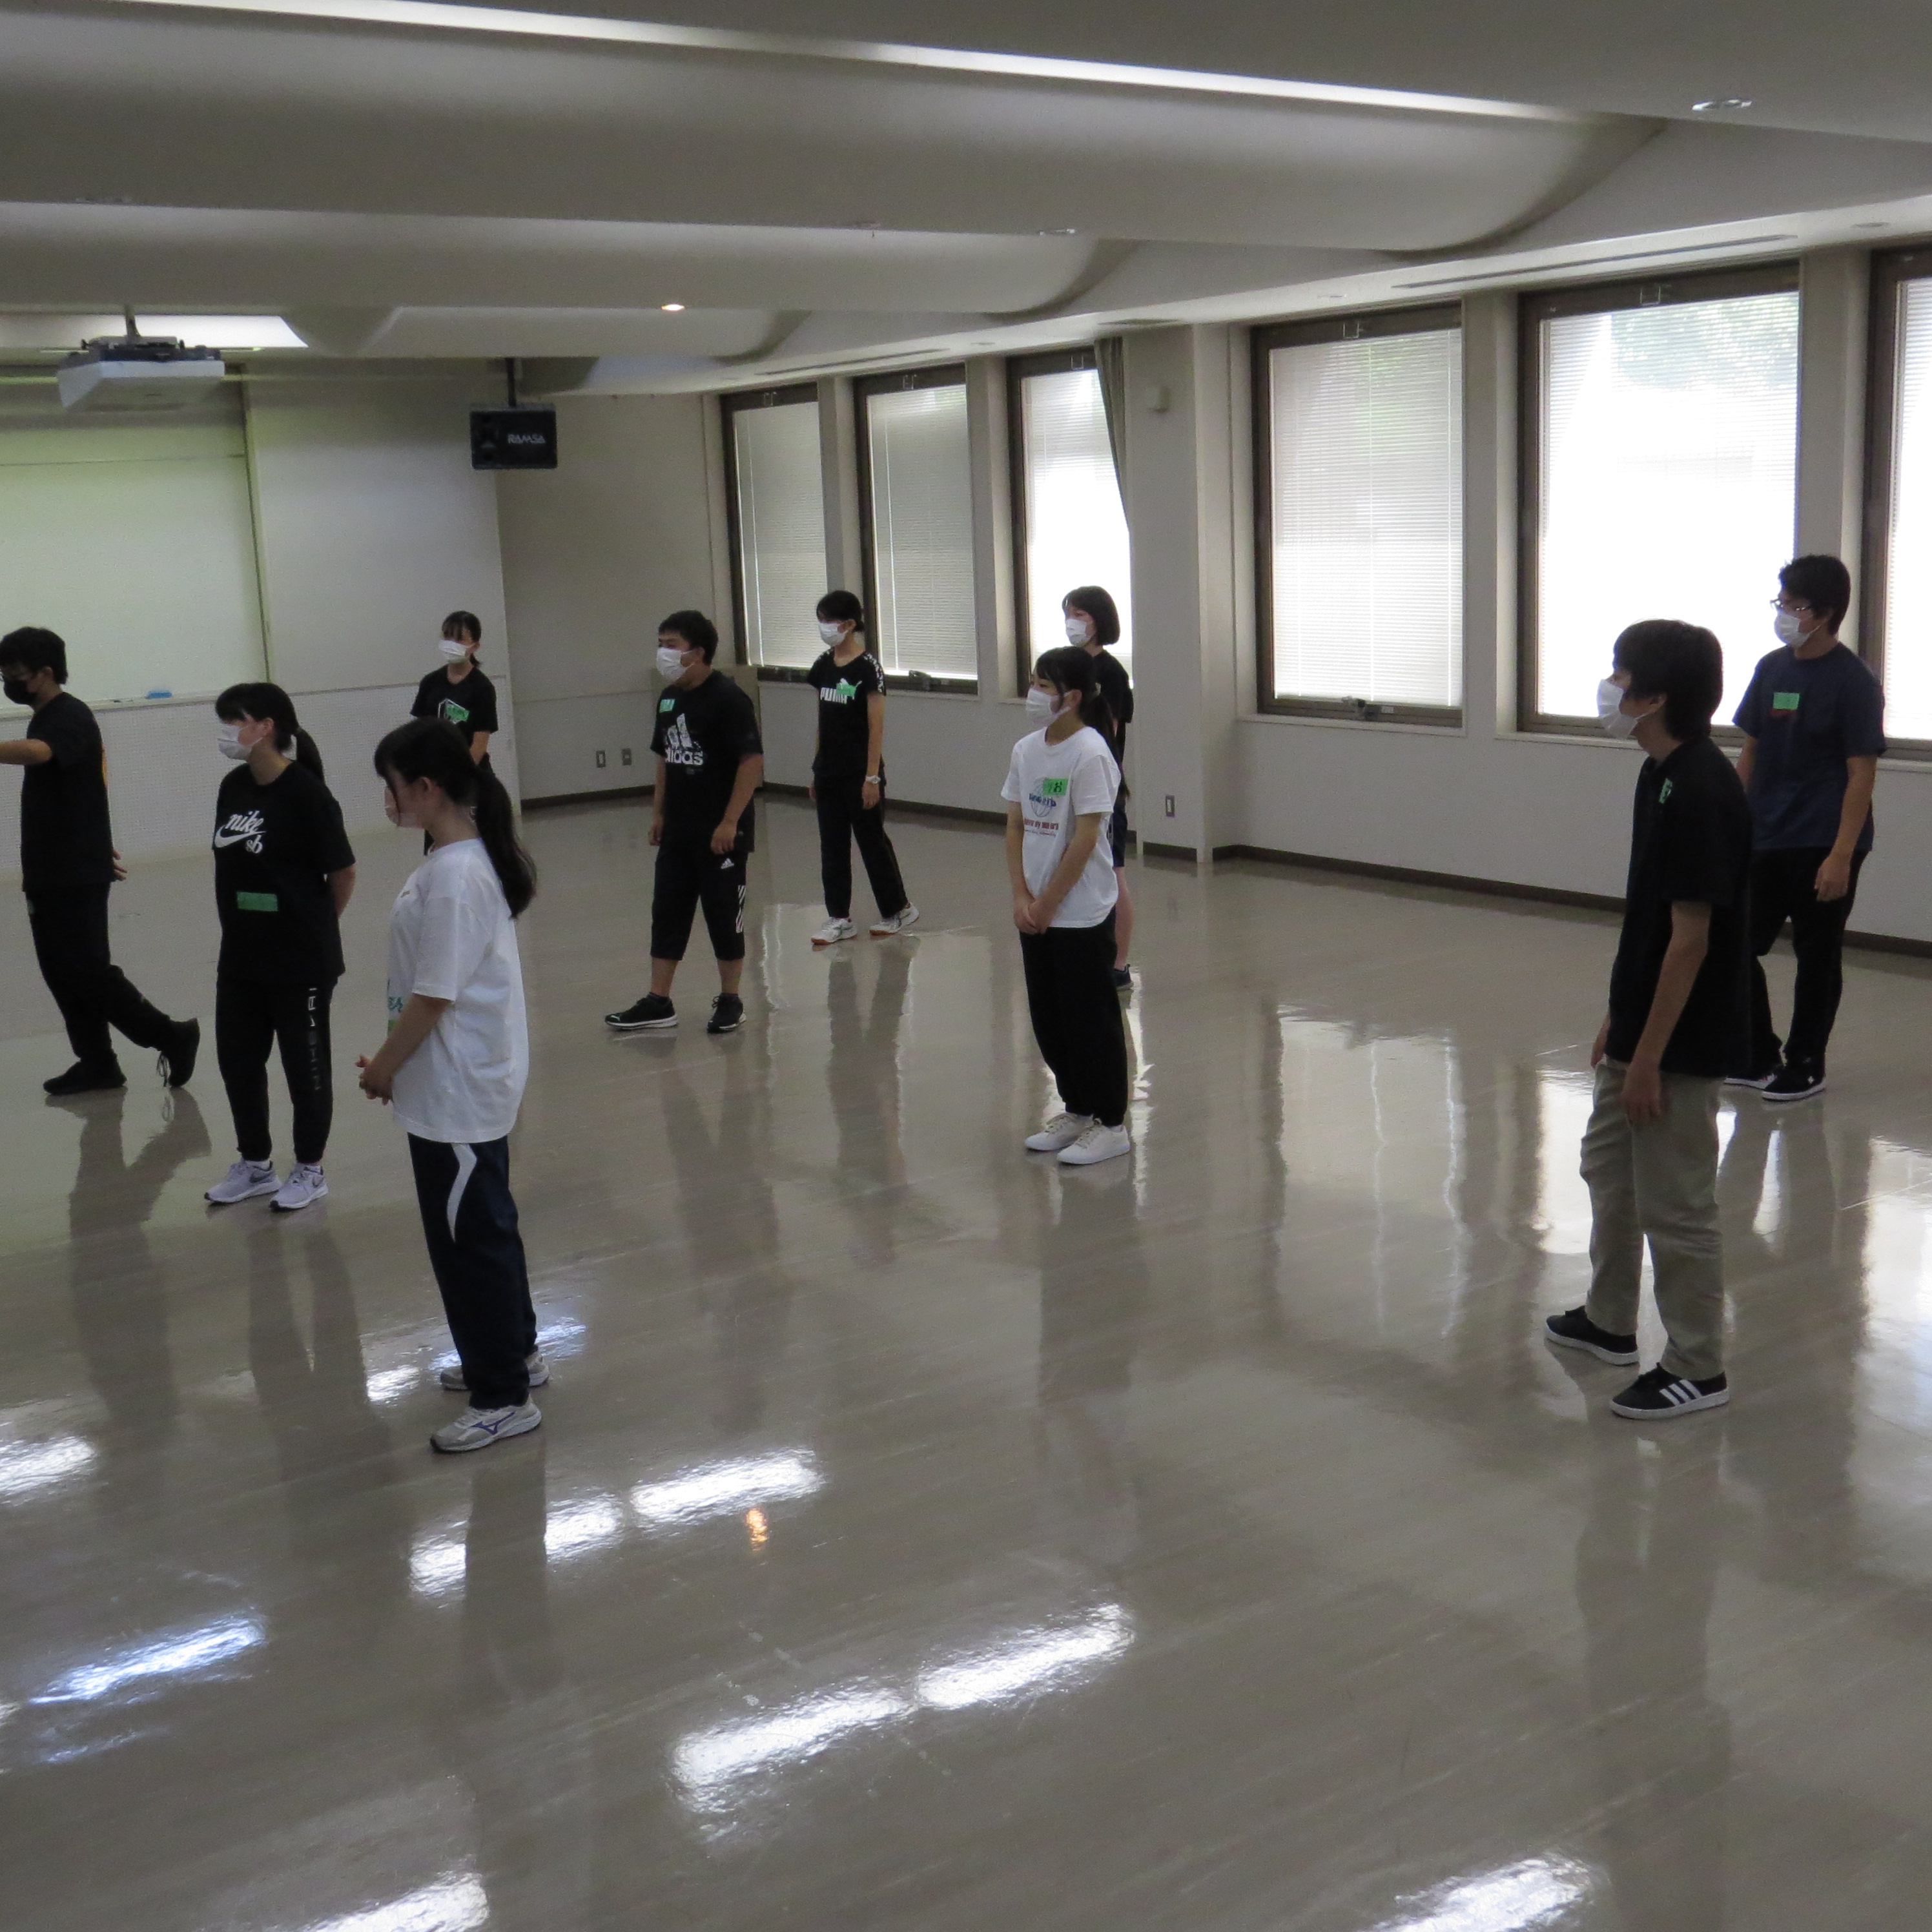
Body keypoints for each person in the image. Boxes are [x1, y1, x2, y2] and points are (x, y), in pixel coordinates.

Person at [1545, 620, 1751, 1419]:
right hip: (1639, 1025)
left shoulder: (1701, 790)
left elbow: (1691, 942)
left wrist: (1648, 1058)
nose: (1611, 688)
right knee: (1609, 1168)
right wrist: (1617, 1020)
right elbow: (1650, 924)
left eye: (1620, 676)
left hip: (1679, 1043)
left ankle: (1698, 1365)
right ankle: (1608, 1320)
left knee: (1676, 1203)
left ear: (1656, 697)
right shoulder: (1657, 773)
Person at [356, 719, 542, 1454]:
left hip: (457, 1089)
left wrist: (385, 1066)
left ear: (427, 787)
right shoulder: (450, 860)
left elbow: (434, 995)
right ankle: (513, 1352)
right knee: (484, 1226)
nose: (388, 798)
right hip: (447, 1079)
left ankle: (503, 1396)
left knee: (470, 1243)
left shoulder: (459, 876)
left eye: (392, 785)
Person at [0, 626, 200, 1096]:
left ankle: (170, 1034)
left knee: (87, 969)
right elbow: (79, 786)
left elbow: (40, 754)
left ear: (45, 672)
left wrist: (88, 846)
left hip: (72, 871)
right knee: (61, 971)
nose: (8, 681)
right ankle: (98, 1063)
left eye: (14, 672)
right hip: (56, 865)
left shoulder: (67, 715)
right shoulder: (46, 716)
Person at [1727, 555, 1884, 1103]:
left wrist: (1841, 855)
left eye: (1794, 605)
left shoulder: (1853, 681)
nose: (1784, 614)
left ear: (1825, 612)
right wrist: (1731, 818)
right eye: (1783, 603)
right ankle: (1756, 1053)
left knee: (1817, 955)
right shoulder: (1772, 668)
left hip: (1824, 838)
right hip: (1766, 832)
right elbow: (1751, 750)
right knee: (1736, 943)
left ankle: (1807, 1063)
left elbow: (1861, 773)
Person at [202, 683, 356, 1213]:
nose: (225, 731)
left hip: (299, 961)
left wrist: (314, 928)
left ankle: (310, 1170)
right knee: (238, 1061)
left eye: (234, 720)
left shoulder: (307, 794)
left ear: (266, 726)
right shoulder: (233, 786)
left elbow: (343, 872)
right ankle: (255, 1166)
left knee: (304, 1068)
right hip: (242, 955)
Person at [604, 610, 763, 1036]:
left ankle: (730, 999)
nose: (664, 653)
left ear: (698, 652)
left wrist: (730, 821)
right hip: (679, 829)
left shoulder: (728, 699)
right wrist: (658, 813)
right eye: (661, 644)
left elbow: (751, 762)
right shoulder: (669, 699)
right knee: (668, 912)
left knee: (723, 915)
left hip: (720, 833)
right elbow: (664, 758)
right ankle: (658, 1000)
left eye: (671, 645)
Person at [1003, 645, 1131, 1167]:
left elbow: (1085, 838)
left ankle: (1111, 1123)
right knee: (1049, 1017)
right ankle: (1077, 1109)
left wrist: (1050, 902)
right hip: (1035, 910)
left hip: (1078, 911)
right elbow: (1015, 825)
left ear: (1072, 697)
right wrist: (1022, 897)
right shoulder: (1026, 750)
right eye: (1033, 681)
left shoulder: (1091, 753)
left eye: (1044, 685)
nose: (1033, 693)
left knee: (1089, 1018)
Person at [806, 590, 919, 945]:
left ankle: (898, 909)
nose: (824, 627)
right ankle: (839, 918)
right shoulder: (823, 664)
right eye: (821, 620)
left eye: (830, 620)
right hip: (829, 772)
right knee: (832, 847)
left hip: (859, 772)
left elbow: (876, 726)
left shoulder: (868, 667)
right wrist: (816, 768)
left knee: (871, 842)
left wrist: (872, 777)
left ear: (849, 624)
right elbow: (822, 721)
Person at [1064, 586, 1135, 990]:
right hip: (1069, 785)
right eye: (1069, 613)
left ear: (1098, 620)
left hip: (1103, 788)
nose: (1073, 621)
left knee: (1113, 872)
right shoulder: (1069, 666)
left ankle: (1119, 963)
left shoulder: (1110, 673)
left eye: (1081, 614)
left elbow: (1108, 733)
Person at [412, 610, 498, 768]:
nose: (451, 644)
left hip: (469, 770)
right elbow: (420, 730)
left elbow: (479, 744)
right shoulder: (430, 682)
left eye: (459, 639)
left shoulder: (482, 688)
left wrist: (460, 775)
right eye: (447, 636)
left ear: (475, 646)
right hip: (435, 767)